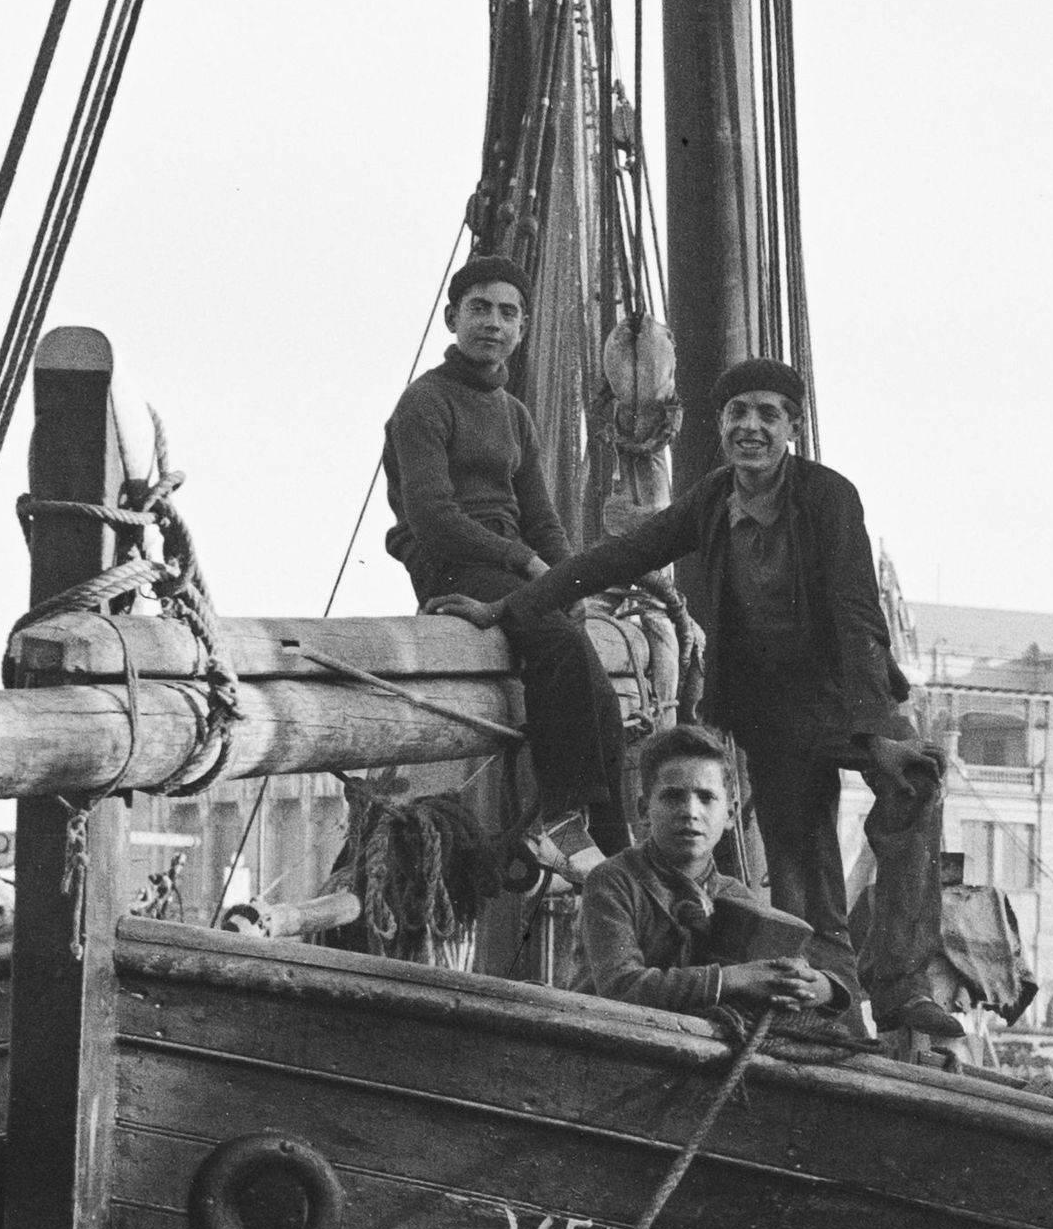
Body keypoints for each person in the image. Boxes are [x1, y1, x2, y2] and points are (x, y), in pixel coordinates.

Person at [438, 357, 957, 1038]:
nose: (751, 427)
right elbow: (619, 556)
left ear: (791, 428)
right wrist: (510, 606)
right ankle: (833, 1012)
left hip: (845, 690)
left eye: (768, 415)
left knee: (913, 782)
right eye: (738, 414)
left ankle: (903, 986)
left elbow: (856, 609)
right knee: (802, 876)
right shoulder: (713, 500)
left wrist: (878, 726)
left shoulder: (828, 497)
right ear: (719, 426)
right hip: (771, 711)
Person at [381, 252, 627, 864]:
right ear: (452, 318)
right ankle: (562, 818)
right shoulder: (424, 403)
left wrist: (572, 578)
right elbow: (434, 519)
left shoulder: (514, 414)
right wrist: (526, 566)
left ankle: (616, 841)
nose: (494, 322)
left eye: (508, 312)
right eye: (480, 308)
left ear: (521, 328)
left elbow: (542, 517)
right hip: (451, 562)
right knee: (561, 647)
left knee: (597, 689)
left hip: (509, 563)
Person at [578, 723, 846, 1020]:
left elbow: (779, 974)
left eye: (706, 797)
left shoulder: (737, 896)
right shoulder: (613, 881)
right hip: (603, 1041)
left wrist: (822, 988)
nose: (691, 811)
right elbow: (621, 989)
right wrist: (734, 979)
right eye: (672, 797)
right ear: (643, 811)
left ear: (730, 814)